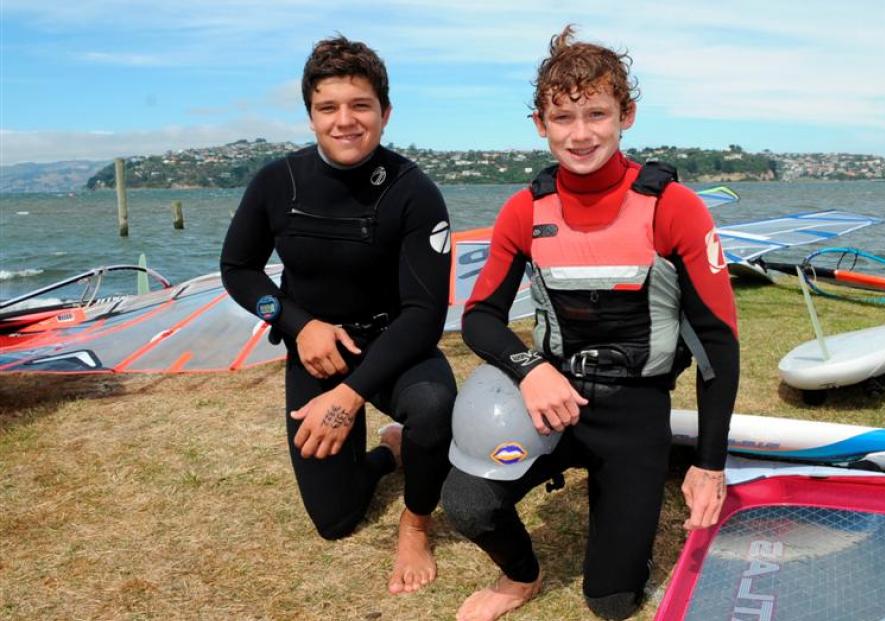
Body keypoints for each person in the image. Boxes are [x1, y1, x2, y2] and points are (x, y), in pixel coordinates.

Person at [441, 26, 739, 621]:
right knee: (469, 503)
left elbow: (718, 344)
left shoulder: (673, 206)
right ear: (540, 124)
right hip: (552, 398)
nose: (580, 134)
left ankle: (624, 504)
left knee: (610, 601)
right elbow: (479, 320)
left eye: (597, 114)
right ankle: (521, 576)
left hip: (636, 410)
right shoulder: (526, 209)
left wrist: (710, 464)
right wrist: (529, 372)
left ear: (625, 114)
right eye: (562, 118)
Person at [220, 35, 456, 595]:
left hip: (394, 343)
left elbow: (425, 313)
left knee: (435, 408)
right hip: (317, 348)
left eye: (360, 106)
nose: (345, 121)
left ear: (385, 113)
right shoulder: (279, 182)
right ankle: (385, 455)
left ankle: (416, 524)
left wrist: (348, 400)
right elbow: (238, 269)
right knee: (336, 521)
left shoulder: (413, 192)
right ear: (310, 116)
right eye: (328, 107)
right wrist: (299, 325)